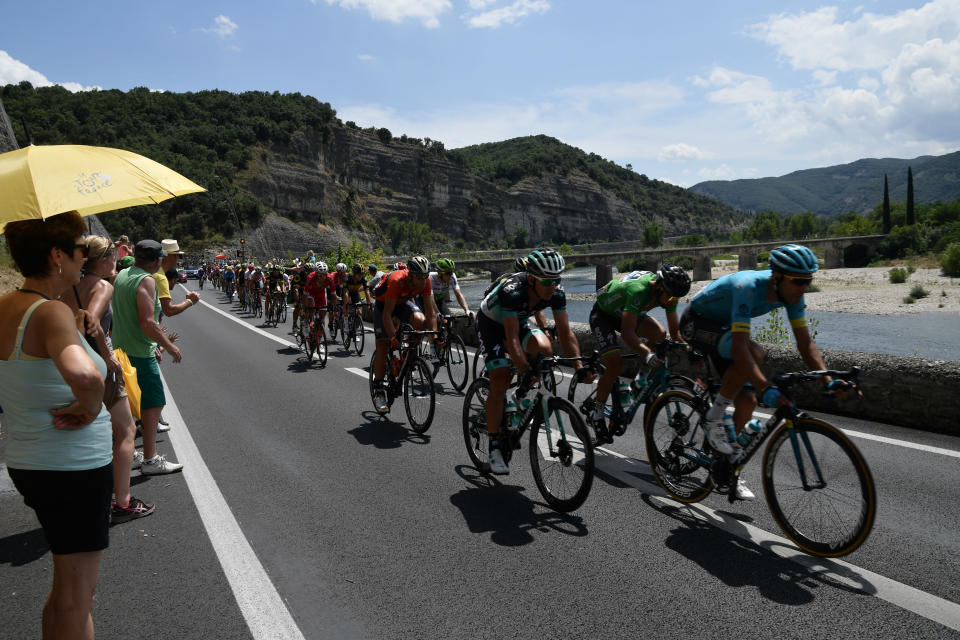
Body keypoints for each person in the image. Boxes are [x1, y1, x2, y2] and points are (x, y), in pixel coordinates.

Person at [1, 211, 114, 639]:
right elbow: (86, 376)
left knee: (65, 589)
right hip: (72, 467)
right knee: (77, 596)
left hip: (32, 458)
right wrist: (88, 407)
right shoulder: (49, 313)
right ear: (56, 256)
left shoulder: (8, 306)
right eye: (79, 249)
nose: (84, 256)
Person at [680, 244, 852, 500]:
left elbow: (805, 344)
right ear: (777, 277)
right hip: (696, 322)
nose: (804, 287)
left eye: (808, 281)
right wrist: (765, 388)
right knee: (756, 353)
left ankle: (727, 467)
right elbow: (740, 348)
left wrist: (828, 380)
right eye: (798, 281)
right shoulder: (747, 286)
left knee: (748, 401)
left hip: (724, 328)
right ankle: (713, 415)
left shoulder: (793, 295)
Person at [475, 248, 592, 474]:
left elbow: (566, 333)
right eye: (546, 282)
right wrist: (523, 368)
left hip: (516, 320)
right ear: (531, 279)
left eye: (556, 280)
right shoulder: (513, 291)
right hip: (491, 322)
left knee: (545, 348)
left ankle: (518, 396)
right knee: (500, 378)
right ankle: (494, 445)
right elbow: (510, 337)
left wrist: (579, 367)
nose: (552, 286)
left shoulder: (556, 291)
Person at [65, 235, 155, 523]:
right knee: (126, 432)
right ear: (104, 261)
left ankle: (84, 499)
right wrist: (107, 354)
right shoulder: (102, 286)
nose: (115, 262)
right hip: (100, 370)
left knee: (88, 434)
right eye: (113, 258)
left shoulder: (69, 288)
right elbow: (89, 321)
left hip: (72, 367)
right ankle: (123, 503)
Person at [587, 263, 691, 444]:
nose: (672, 302)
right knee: (614, 365)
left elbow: (675, 333)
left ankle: (638, 381)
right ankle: (597, 414)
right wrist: (647, 354)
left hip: (625, 312)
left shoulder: (670, 294)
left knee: (660, 334)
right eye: (671, 297)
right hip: (603, 314)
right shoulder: (638, 291)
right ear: (659, 287)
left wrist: (690, 349)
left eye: (676, 299)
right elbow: (628, 334)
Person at [111, 240, 184, 475]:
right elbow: (147, 321)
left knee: (130, 403)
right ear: (157, 261)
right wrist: (168, 346)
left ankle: (131, 453)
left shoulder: (122, 275)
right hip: (139, 351)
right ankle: (151, 460)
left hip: (121, 348)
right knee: (153, 404)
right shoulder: (146, 280)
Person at [370, 256, 438, 414]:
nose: (422, 281)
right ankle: (379, 389)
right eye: (419, 277)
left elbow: (430, 312)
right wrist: (393, 337)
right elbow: (387, 314)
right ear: (410, 275)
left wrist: (434, 338)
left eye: (425, 277)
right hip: (383, 305)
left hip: (402, 303)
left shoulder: (425, 281)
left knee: (420, 321)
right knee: (383, 345)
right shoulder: (396, 280)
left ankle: (409, 357)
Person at [155, 239, 200, 318]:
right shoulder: (160, 278)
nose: (177, 259)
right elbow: (169, 310)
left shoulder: (153, 271)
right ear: (174, 256)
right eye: (178, 256)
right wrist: (190, 301)